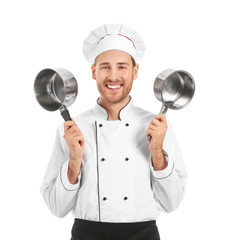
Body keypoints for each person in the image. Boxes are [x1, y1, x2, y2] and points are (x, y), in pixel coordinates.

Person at [40, 24, 188, 240]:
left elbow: (172, 203)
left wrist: (157, 151)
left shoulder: (157, 127)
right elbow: (57, 208)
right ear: (94, 71)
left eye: (122, 67)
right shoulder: (73, 128)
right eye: (105, 67)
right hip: (87, 235)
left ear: (135, 72)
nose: (114, 76)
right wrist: (74, 161)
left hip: (143, 235)